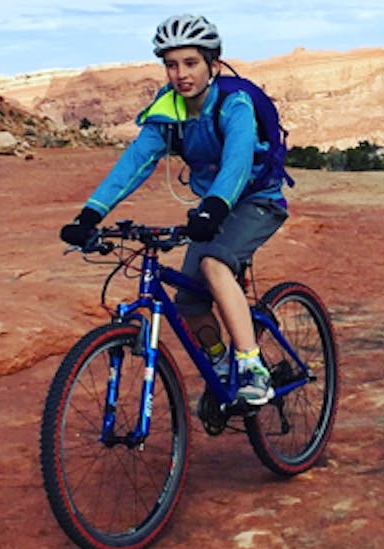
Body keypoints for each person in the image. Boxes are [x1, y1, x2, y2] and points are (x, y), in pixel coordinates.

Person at [59, 14, 288, 406]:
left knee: (214, 264)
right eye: (171, 64)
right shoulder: (168, 113)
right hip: (212, 209)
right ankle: (221, 369)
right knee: (189, 302)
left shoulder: (234, 103)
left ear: (213, 65)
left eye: (191, 62)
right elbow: (133, 164)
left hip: (257, 201)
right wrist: (90, 215)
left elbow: (236, 161)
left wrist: (213, 208)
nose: (180, 74)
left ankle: (252, 367)